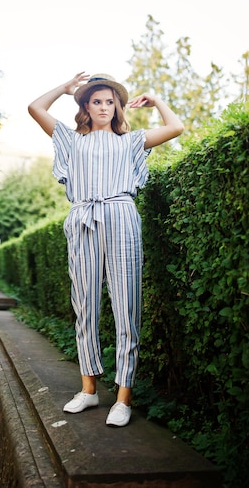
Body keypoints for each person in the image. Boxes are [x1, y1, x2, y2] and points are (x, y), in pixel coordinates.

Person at [28, 72, 184, 427]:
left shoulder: (131, 141)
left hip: (120, 215)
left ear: (118, 107)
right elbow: (35, 107)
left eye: (109, 101)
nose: (103, 107)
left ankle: (123, 396)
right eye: (95, 101)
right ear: (85, 106)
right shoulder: (69, 139)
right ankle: (88, 390)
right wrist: (65, 87)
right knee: (84, 304)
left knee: (126, 305)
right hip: (82, 217)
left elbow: (175, 128)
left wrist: (157, 100)